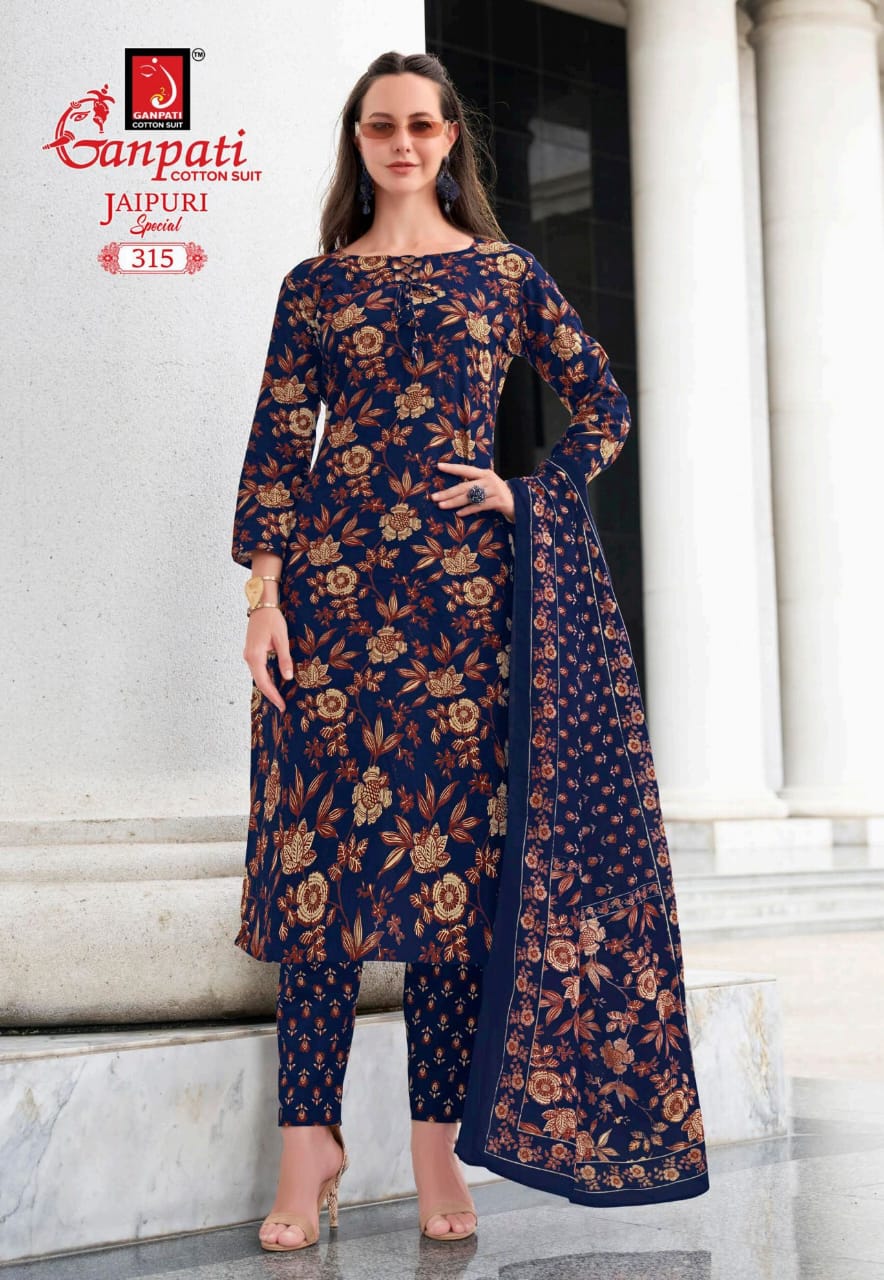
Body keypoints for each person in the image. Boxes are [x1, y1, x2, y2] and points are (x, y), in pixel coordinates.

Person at [231, 49, 709, 1255]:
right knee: (317, 872)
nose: (400, 143)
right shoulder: (314, 286)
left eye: (421, 125)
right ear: (357, 141)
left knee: (451, 881)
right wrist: (263, 596)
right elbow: (280, 440)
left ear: (449, 141)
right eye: (379, 125)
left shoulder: (502, 274)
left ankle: (433, 1146)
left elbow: (601, 403)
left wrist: (523, 492)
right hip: (331, 603)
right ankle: (306, 1143)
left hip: (463, 610)